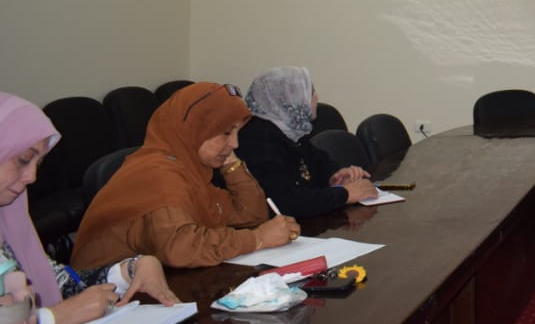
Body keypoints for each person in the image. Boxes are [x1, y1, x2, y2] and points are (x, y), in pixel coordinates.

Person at [0, 93, 179, 324]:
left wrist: (130, 269)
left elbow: (60, 282)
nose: (32, 177)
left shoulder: (8, 222)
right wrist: (53, 319)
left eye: (39, 163)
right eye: (24, 159)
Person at [71, 83, 299, 270]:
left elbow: (251, 215)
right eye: (226, 132)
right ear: (194, 129)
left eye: (238, 132)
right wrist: (257, 239)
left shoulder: (191, 170)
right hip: (104, 297)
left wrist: (231, 162)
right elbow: (180, 248)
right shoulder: (158, 173)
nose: (235, 143)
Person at [237, 67, 375, 218]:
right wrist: (345, 194)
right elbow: (287, 202)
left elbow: (317, 162)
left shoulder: (292, 128)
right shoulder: (257, 142)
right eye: (310, 92)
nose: (316, 97)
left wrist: (334, 176)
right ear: (288, 100)